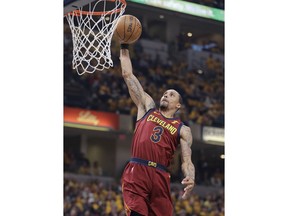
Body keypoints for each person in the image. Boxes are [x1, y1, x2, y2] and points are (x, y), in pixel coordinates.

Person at [119, 44, 195, 216]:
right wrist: (124, 46)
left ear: (178, 105)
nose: (166, 95)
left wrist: (191, 176)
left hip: (160, 175)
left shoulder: (183, 129)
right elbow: (127, 74)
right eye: (165, 93)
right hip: (137, 169)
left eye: (171, 94)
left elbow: (186, 159)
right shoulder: (147, 107)